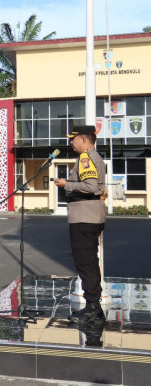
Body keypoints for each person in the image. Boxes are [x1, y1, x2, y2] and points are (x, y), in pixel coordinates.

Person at [54, 125, 107, 325]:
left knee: (86, 263)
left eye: (73, 139)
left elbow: (90, 186)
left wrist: (65, 184)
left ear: (84, 140)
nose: (71, 142)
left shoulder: (86, 158)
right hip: (90, 215)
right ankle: (93, 306)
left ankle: (93, 308)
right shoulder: (94, 157)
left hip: (84, 217)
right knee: (89, 262)